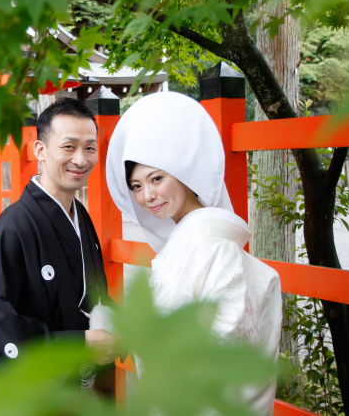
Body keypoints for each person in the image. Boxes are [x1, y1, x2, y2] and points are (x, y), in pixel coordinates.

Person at [91, 91, 282, 415]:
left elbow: (220, 346)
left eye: (156, 178)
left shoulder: (215, 249)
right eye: (136, 186)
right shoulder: (185, 244)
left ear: (184, 171)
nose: (148, 195)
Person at [0, 97, 120, 393]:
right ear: (40, 150)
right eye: (69, 146)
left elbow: (93, 296)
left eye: (90, 147)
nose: (81, 159)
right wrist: (78, 343)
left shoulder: (81, 216)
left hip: (85, 385)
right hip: (40, 395)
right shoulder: (14, 226)